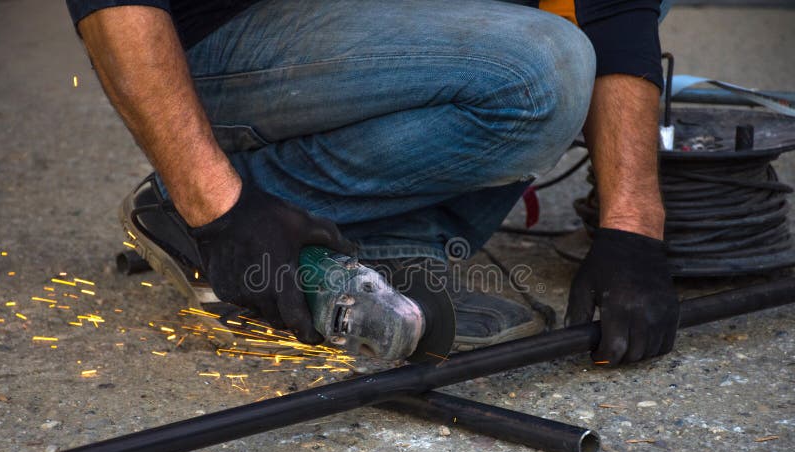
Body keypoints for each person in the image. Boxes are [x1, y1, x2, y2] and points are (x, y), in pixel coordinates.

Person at [66, 0, 680, 365]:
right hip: (218, 34)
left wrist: (633, 226)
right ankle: (196, 207)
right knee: (541, 71)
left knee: (578, 24)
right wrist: (215, 203)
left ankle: (392, 233)